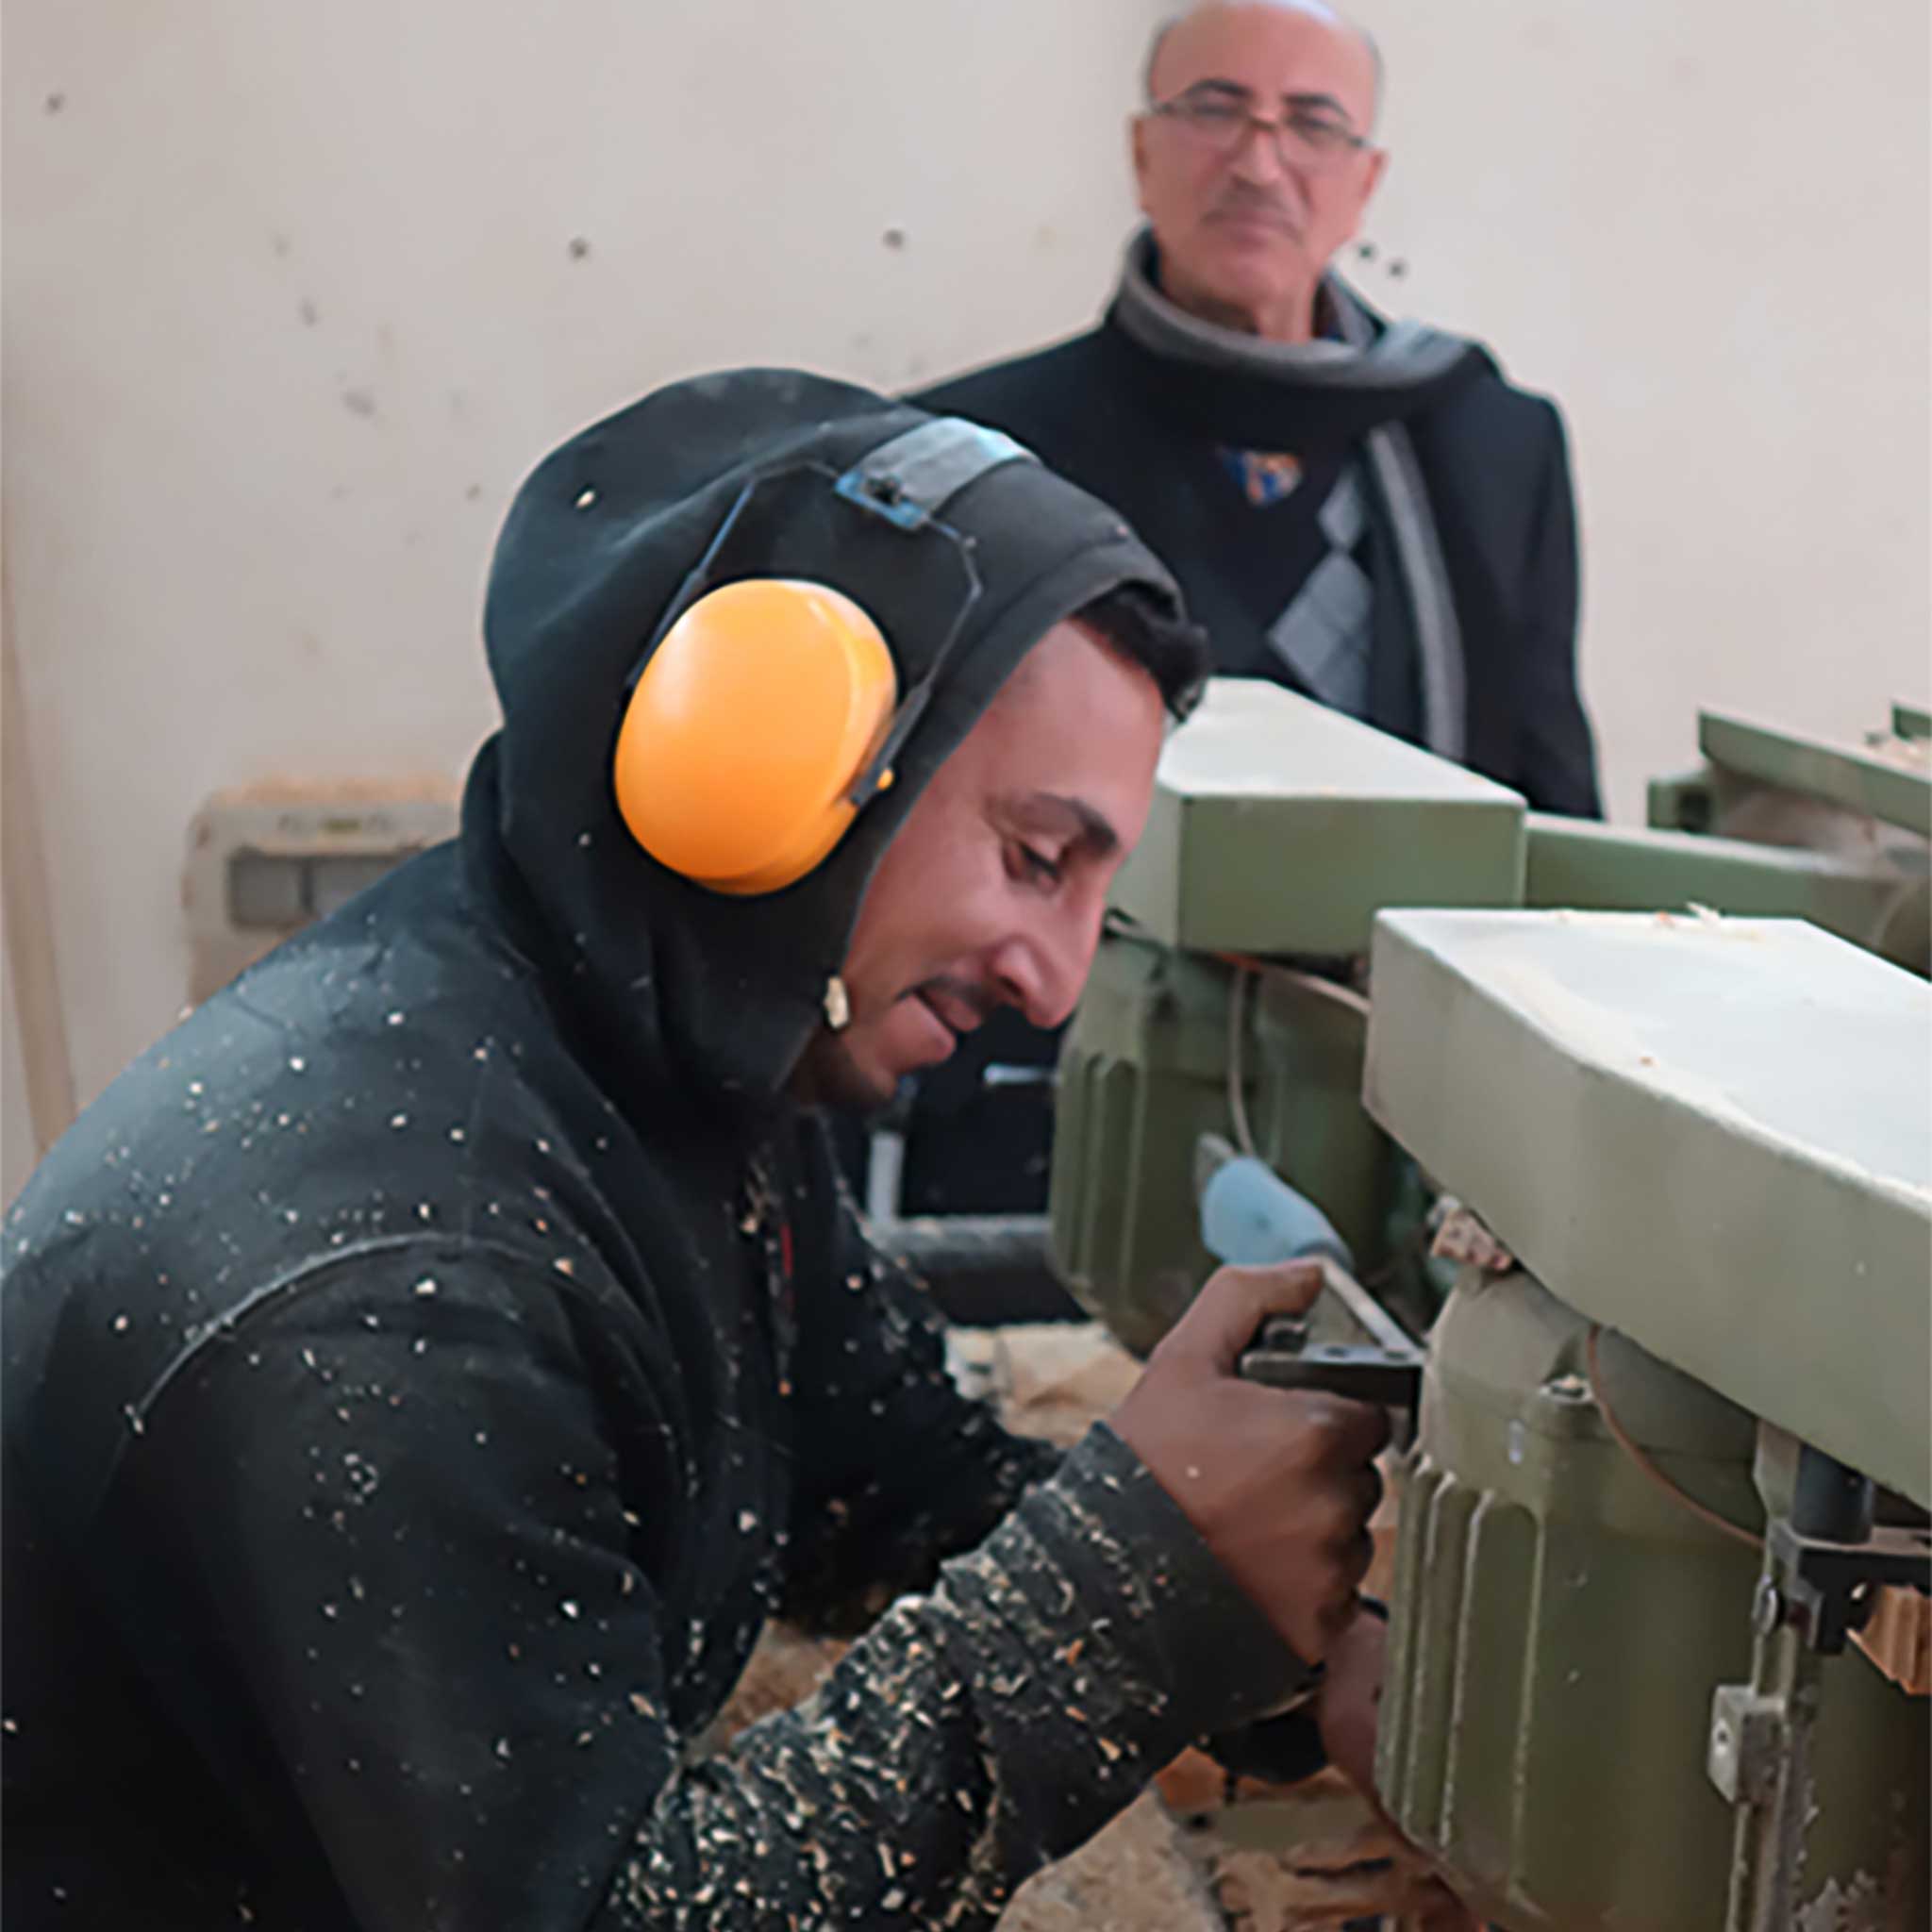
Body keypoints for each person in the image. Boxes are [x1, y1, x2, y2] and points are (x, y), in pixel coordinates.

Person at [2, 371, 1399, 1929]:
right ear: (765, 764)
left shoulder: (682, 1056)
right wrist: (1138, 1601)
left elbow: (883, 1478)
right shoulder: (399, 1292)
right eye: (1032, 858)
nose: (1054, 981)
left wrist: (1278, 1645)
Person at [890, 0, 1602, 1221]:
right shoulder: (981, 455)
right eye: (1213, 109)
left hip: (1396, 1113)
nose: (1260, 160)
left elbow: (1546, 798)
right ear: (1140, 152)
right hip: (1058, 1093)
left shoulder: (1490, 446)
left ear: (1364, 182)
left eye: (1311, 124)